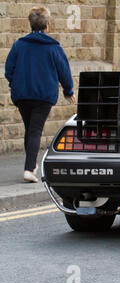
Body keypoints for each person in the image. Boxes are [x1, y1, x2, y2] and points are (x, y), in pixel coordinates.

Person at [5, 6, 75, 183]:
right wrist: (68, 91)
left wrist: (16, 84)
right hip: (43, 96)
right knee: (35, 131)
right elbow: (64, 72)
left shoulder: (19, 45)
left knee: (30, 130)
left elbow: (8, 70)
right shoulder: (53, 47)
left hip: (22, 95)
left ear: (30, 24)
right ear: (47, 25)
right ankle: (29, 169)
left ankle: (31, 165)